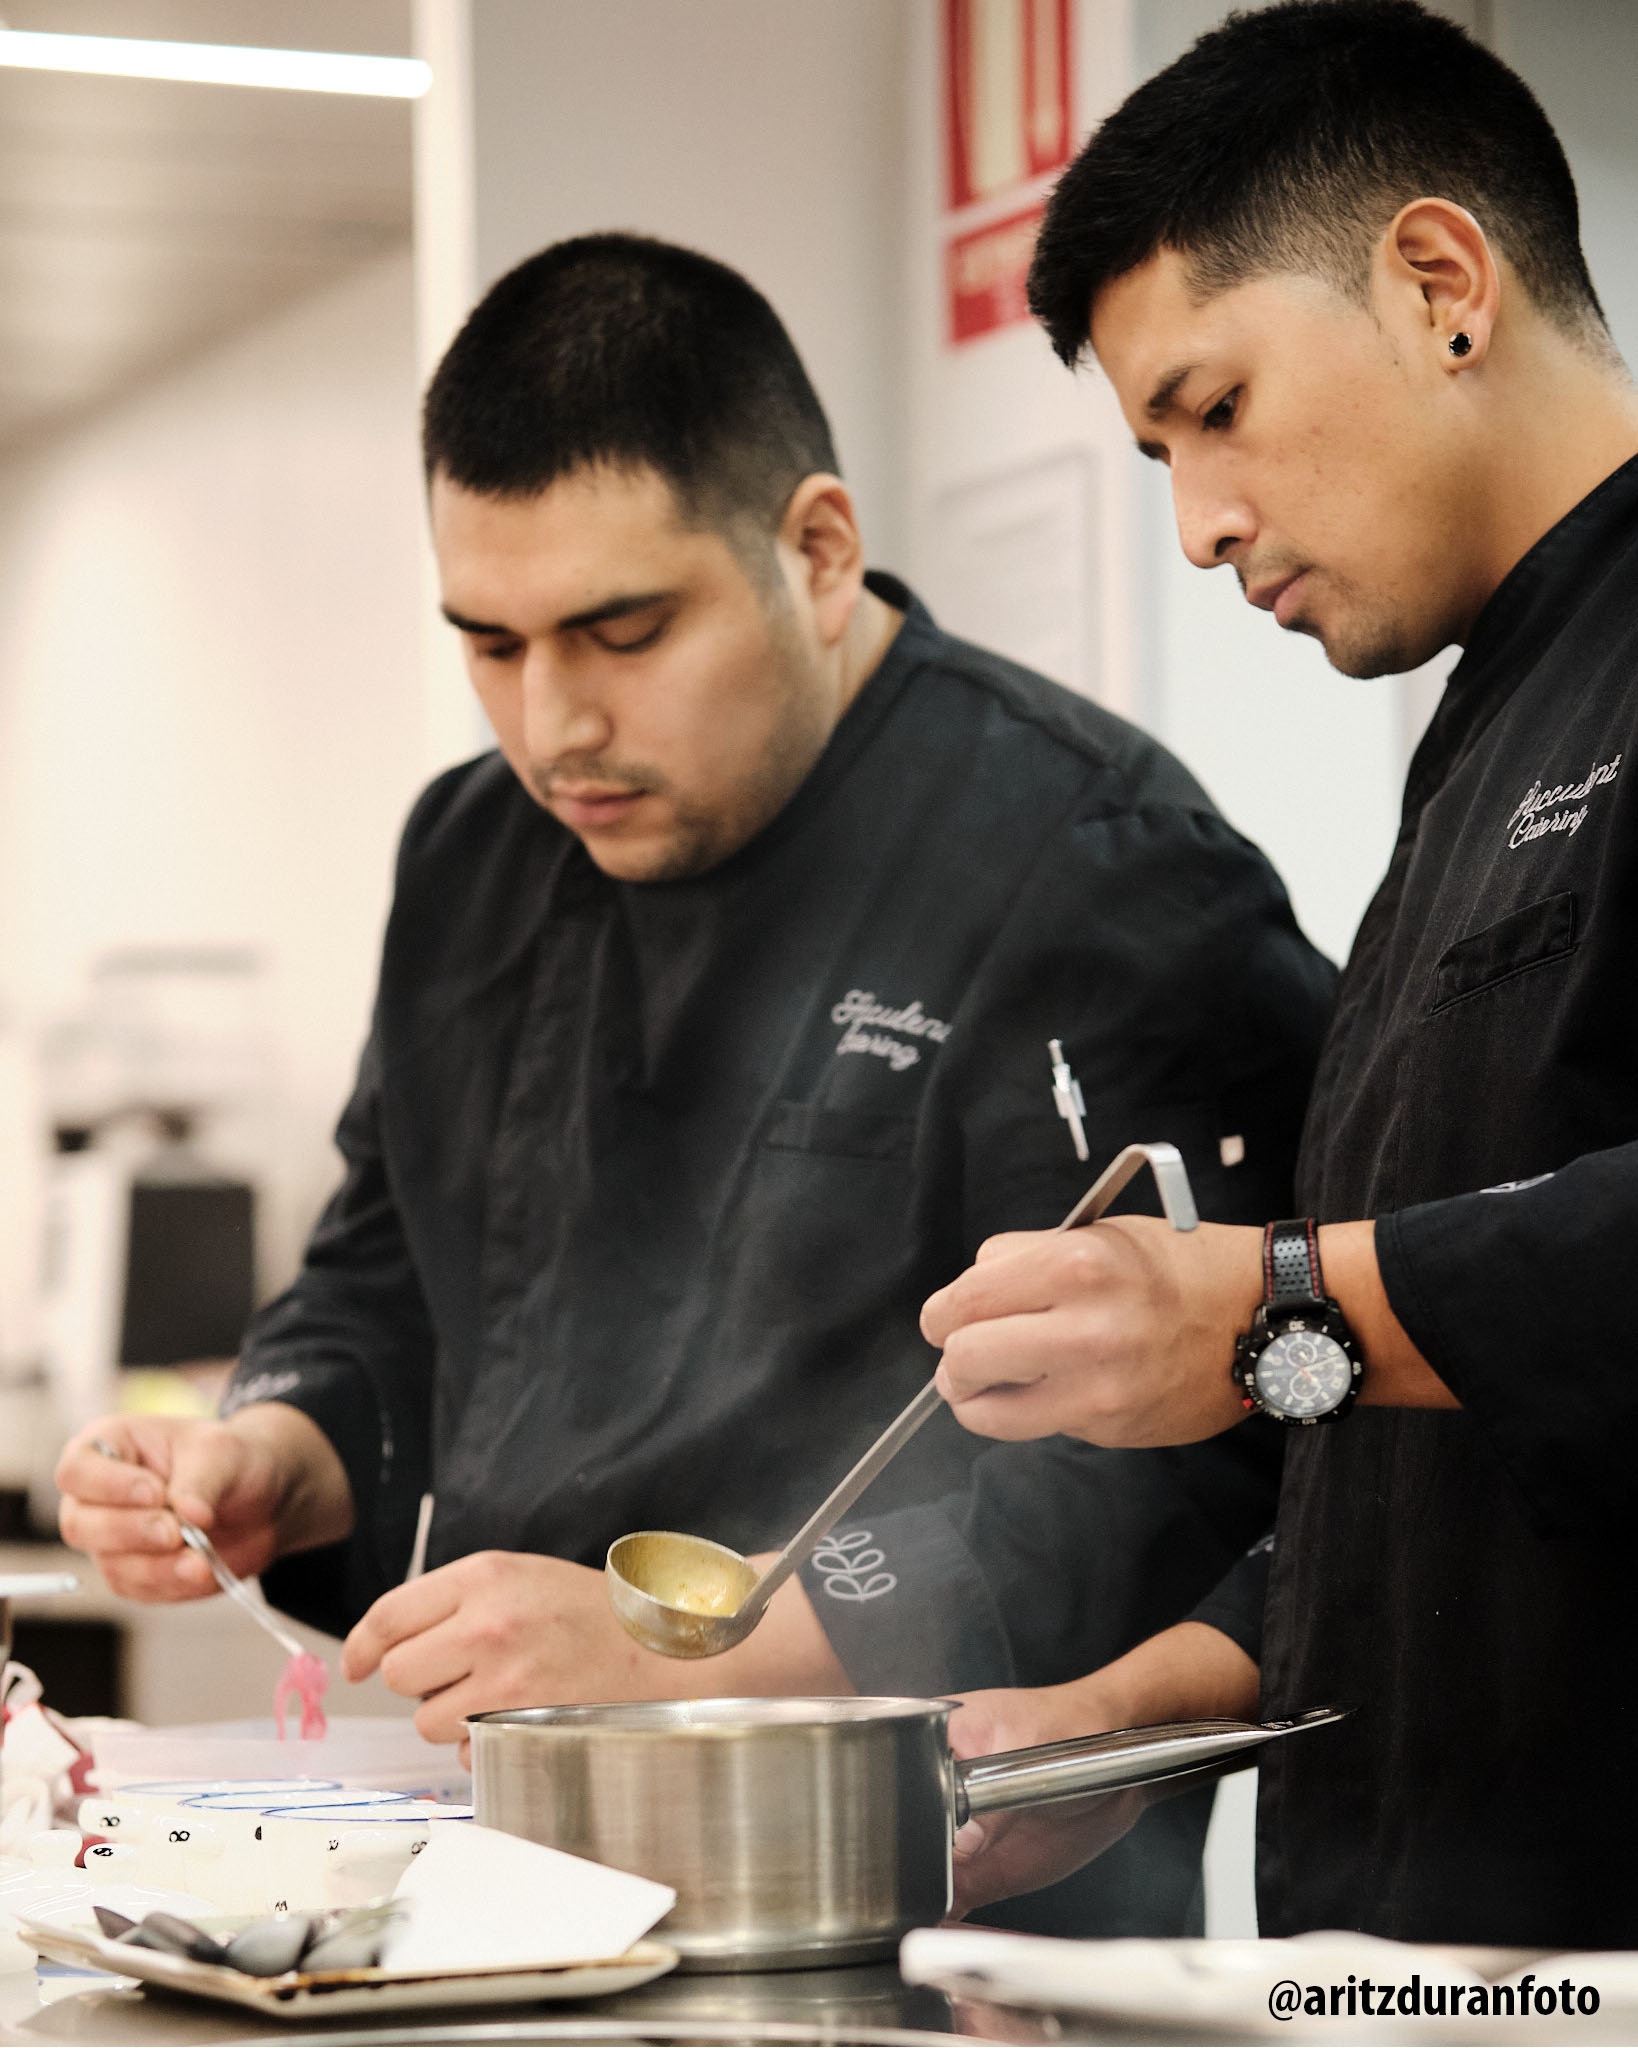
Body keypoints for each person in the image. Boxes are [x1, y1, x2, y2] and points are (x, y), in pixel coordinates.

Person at [55, 234, 1334, 1936]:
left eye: (621, 630)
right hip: (499, 1858)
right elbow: (391, 1278)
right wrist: (272, 1451)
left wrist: (705, 1644)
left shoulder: (1092, 869)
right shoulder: (471, 850)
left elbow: (1193, 1457)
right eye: (489, 644)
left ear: (815, 550)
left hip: (915, 1896)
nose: (551, 724)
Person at [922, 0, 1638, 1948]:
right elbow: (1450, 1410)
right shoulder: (1478, 731)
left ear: (1438, 283)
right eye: (1156, 450)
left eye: (1214, 409)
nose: (1203, 524)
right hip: (1400, 1957)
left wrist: (1256, 1308)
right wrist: (1138, 1714)